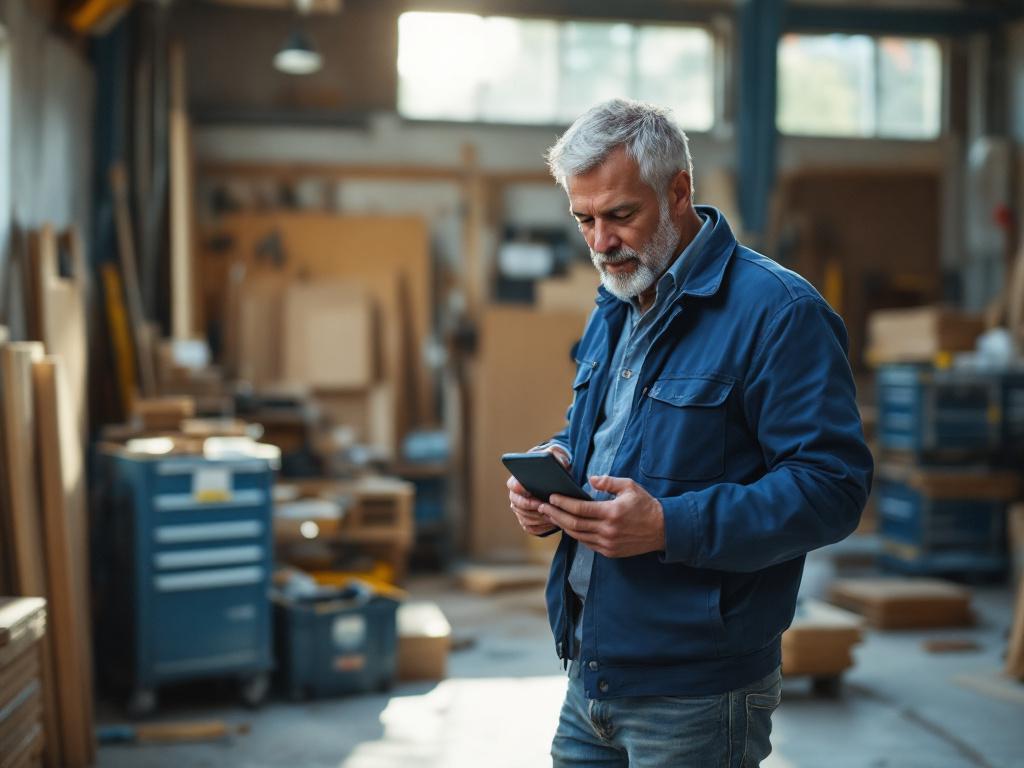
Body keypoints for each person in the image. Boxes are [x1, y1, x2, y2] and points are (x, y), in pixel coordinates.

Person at [505, 98, 873, 767]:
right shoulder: (618, 300)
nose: (599, 242)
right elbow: (606, 432)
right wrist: (555, 468)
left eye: (619, 215)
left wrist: (671, 525)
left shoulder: (778, 313)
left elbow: (832, 487)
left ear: (678, 191)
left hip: (697, 695)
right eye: (583, 219)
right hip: (591, 669)